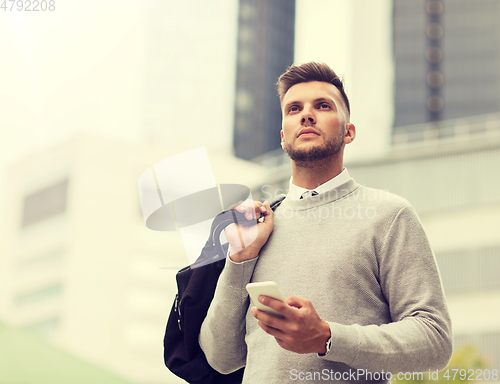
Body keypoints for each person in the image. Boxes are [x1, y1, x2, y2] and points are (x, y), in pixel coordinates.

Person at [199, 62, 452, 383]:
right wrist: (240, 259)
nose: (306, 115)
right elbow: (221, 358)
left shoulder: (389, 215)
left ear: (349, 131)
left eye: (322, 106)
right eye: (294, 109)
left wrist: (327, 337)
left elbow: (435, 340)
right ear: (282, 137)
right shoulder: (258, 228)